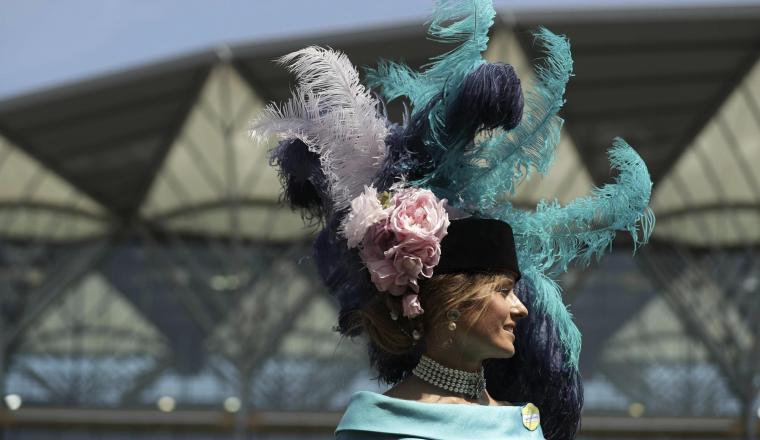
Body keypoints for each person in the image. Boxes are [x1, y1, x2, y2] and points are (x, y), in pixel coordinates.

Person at [250, 1, 655, 439]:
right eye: (502, 290)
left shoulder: (519, 428)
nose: (520, 307)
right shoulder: (374, 430)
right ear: (452, 306)